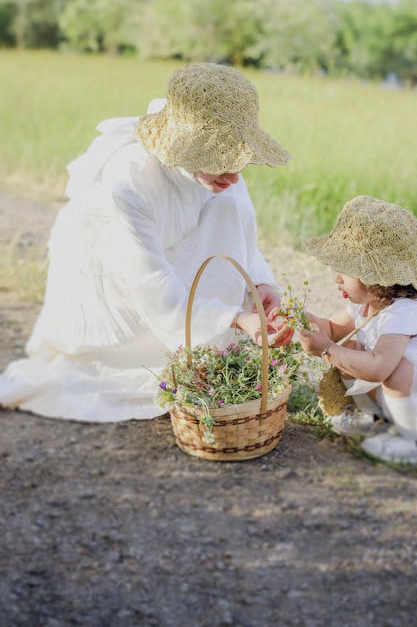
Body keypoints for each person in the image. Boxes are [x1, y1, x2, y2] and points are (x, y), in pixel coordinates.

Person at [0, 63, 291, 422]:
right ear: (186, 149)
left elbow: (241, 232)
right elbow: (149, 283)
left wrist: (261, 283)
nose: (234, 174)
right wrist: (233, 317)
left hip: (168, 265)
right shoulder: (130, 179)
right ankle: (184, 349)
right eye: (221, 162)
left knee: (229, 203)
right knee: (114, 372)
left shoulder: (226, 177)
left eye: (239, 160)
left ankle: (209, 346)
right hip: (117, 280)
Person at [297, 195, 417, 465]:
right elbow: (331, 328)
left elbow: (378, 369)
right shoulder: (363, 304)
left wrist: (327, 349)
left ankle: (414, 442)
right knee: (350, 348)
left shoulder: (403, 312)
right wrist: (296, 317)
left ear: (377, 278)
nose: (336, 277)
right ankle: (373, 419)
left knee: (395, 367)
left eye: (346, 270)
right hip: (400, 398)